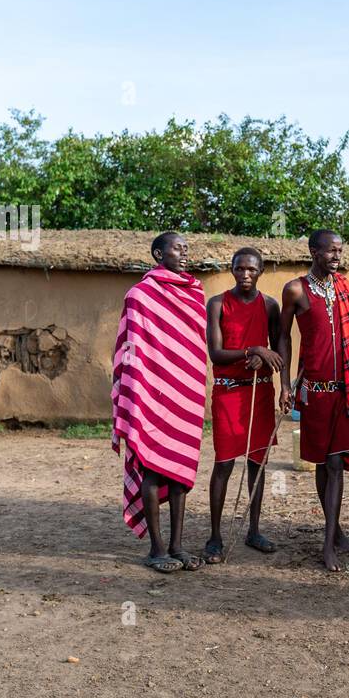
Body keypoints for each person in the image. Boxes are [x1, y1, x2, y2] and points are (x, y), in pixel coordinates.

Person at [111, 231, 208, 572]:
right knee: (152, 468)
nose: (184, 254)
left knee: (180, 472)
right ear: (157, 254)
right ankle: (156, 549)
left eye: (186, 248)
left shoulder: (194, 293)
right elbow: (130, 349)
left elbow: (194, 346)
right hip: (152, 394)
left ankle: (177, 545)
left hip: (186, 391)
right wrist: (138, 393)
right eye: (177, 248)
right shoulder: (140, 295)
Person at [278, 229, 349, 572]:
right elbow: (283, 337)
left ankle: (331, 540)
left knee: (334, 463)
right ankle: (333, 537)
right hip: (315, 392)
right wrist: (285, 384)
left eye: (340, 251)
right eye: (330, 251)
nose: (336, 257)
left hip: (347, 389)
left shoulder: (344, 287)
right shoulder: (296, 290)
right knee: (322, 462)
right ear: (314, 251)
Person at [203, 247, 283, 563]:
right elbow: (216, 353)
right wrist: (253, 350)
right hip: (228, 392)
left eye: (251, 269)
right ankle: (214, 536)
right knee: (224, 462)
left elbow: (278, 351)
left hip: (259, 391)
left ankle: (254, 529)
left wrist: (268, 363)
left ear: (261, 271)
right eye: (239, 269)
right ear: (232, 270)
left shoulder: (270, 306)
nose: (245, 274)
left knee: (257, 463)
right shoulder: (218, 304)